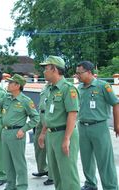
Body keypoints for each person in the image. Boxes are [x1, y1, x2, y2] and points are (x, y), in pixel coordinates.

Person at [0, 74, 40, 190]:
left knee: (19, 163)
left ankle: (22, 186)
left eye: (10, 83)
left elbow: (36, 118)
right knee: (7, 162)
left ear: (17, 85)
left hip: (17, 134)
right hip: (5, 132)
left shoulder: (25, 101)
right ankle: (10, 185)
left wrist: (23, 129)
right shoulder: (6, 98)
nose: (8, 85)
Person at [38, 55, 80, 190]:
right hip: (51, 135)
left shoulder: (68, 88)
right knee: (56, 173)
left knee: (68, 173)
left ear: (54, 69)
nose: (43, 72)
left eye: (46, 68)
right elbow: (50, 114)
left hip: (64, 134)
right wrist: (43, 133)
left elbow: (72, 114)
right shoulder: (51, 89)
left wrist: (67, 139)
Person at [76, 61, 119, 190]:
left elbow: (115, 104)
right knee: (86, 159)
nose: (77, 76)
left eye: (80, 73)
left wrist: (117, 125)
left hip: (99, 127)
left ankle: (110, 186)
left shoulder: (103, 86)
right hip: (82, 127)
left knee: (104, 160)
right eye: (77, 73)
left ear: (89, 72)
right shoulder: (80, 88)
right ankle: (90, 184)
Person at [32, 84, 54, 186]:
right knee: (37, 143)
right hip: (40, 115)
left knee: (49, 146)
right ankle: (42, 169)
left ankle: (52, 175)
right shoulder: (45, 87)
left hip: (49, 115)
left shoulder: (56, 87)